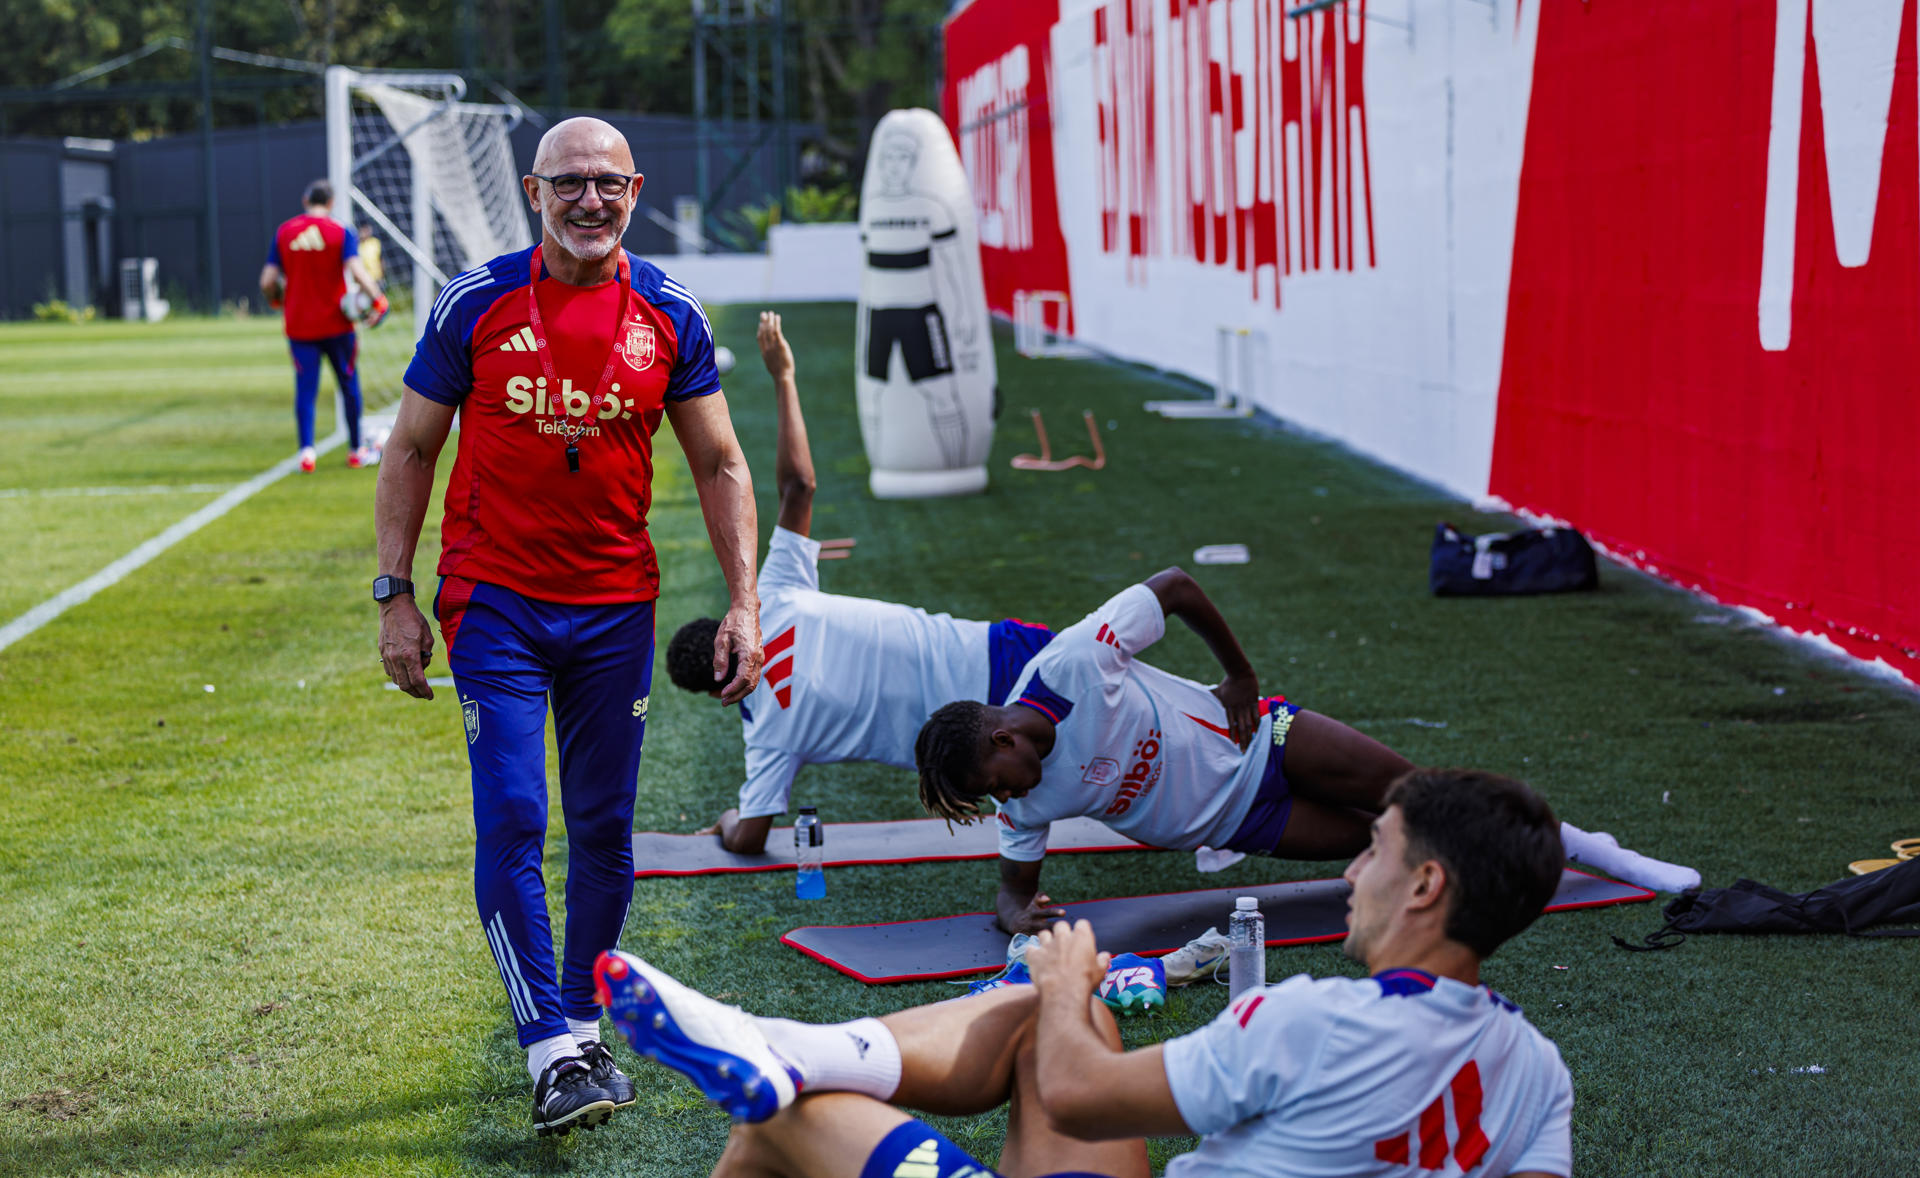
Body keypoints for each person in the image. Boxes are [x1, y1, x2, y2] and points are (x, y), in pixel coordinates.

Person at [593, 767, 1575, 1178]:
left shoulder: (1312, 1019)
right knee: (1040, 1017)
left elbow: (1079, 1093)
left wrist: (1065, 973)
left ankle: (778, 1055)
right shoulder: (1535, 1066)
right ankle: (783, 1047)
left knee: (777, 1118)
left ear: (1427, 884)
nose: (1354, 871)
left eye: (1378, 850)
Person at [373, 117, 765, 1138]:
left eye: (608, 183)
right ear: (531, 190)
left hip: (613, 608)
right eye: (569, 183)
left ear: (635, 190)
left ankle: (580, 1033)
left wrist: (746, 603)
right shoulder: (478, 300)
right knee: (512, 815)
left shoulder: (670, 313)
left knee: (601, 830)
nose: (590, 200)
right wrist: (395, 593)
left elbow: (722, 463)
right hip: (494, 600)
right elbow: (413, 445)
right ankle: (549, 1046)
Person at [916, 575, 1700, 934]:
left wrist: (1240, 673)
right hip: (1244, 825)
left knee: (1420, 794)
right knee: (1383, 847)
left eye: (991, 785)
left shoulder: (1077, 659)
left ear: (1004, 738)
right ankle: (1514, 870)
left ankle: (1592, 849)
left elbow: (1179, 587)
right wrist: (1023, 917)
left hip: (1266, 740)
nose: (1002, 803)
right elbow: (1011, 895)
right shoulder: (1025, 801)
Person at [667, 310, 1053, 855]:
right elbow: (798, 486)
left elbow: (750, 836)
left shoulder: (768, 734)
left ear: (714, 692)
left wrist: (730, 819)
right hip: (996, 649)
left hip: (981, 751)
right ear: (726, 626)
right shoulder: (769, 595)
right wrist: (784, 376)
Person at [259, 179, 388, 472]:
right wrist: (379, 300)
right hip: (337, 325)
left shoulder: (285, 232)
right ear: (330, 204)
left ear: (306, 201)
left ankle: (307, 453)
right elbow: (357, 271)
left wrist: (276, 299)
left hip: (300, 326)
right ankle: (355, 450)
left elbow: (267, 280)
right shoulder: (341, 232)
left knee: (306, 388)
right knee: (349, 385)